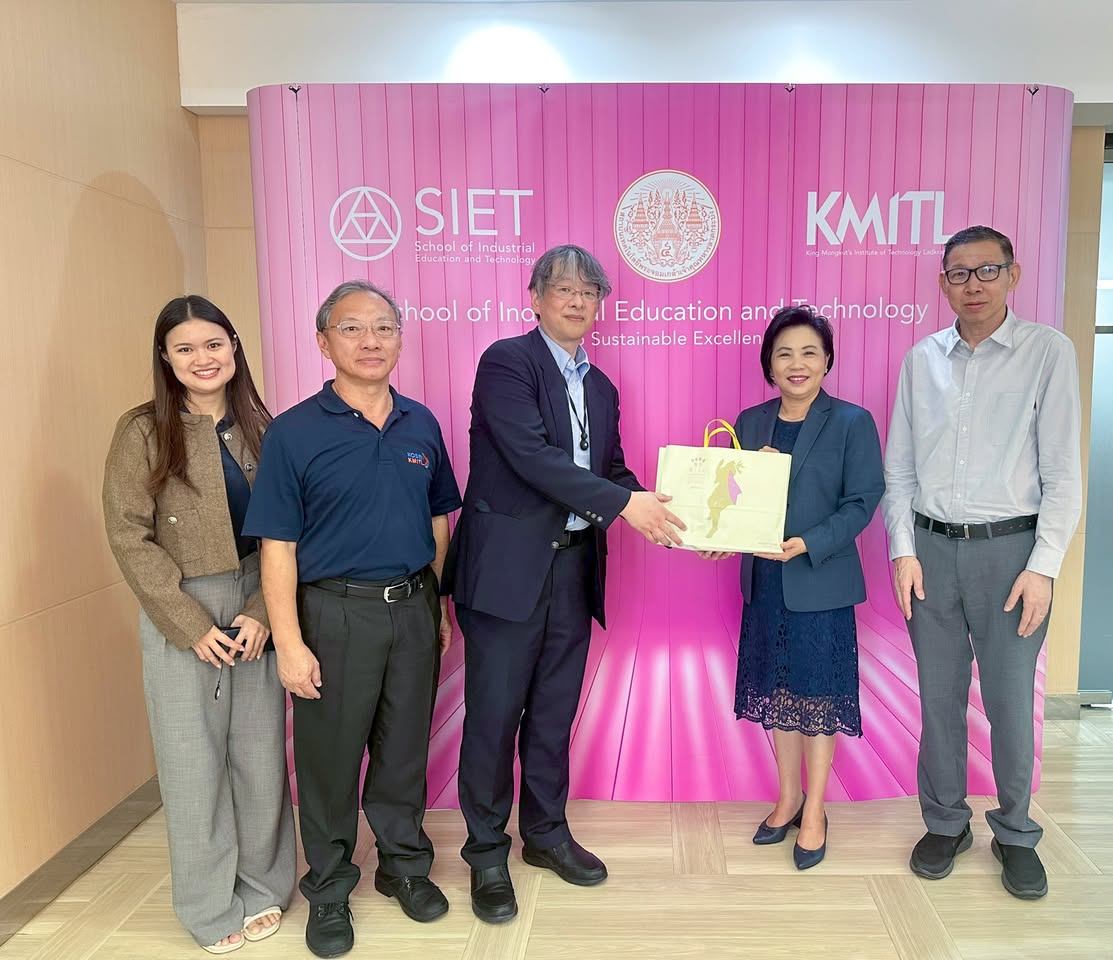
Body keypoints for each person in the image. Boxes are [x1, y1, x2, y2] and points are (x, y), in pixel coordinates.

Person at [443, 244, 686, 923]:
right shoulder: (507, 362)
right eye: (564, 289)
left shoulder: (601, 387)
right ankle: (486, 853)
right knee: (494, 718)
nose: (578, 301)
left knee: (552, 714)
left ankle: (545, 834)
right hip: (507, 571)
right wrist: (626, 505)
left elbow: (610, 470)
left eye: (589, 292)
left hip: (574, 567)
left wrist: (676, 513)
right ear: (536, 299)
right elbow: (531, 457)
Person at [243, 280, 462, 958]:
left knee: (403, 751)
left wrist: (439, 603)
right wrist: (289, 643)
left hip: (413, 609)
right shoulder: (293, 432)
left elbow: (438, 519)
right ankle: (330, 888)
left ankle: (403, 867)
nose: (371, 341)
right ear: (323, 341)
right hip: (332, 614)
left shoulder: (421, 423)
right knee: (330, 760)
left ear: (400, 339)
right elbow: (277, 546)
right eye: (352, 328)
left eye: (384, 328)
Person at [881, 225, 1082, 900]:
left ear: (1012, 275)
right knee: (938, 698)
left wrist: (1043, 566)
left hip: (1011, 556)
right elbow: (899, 469)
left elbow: (1062, 473)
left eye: (986, 271)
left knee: (1008, 702)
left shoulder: (1046, 353)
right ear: (942, 283)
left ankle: (1016, 832)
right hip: (931, 552)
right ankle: (945, 822)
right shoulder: (921, 360)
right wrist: (903, 550)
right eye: (959, 274)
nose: (973, 285)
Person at [103, 295, 295, 955]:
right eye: (184, 348)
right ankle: (210, 906)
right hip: (181, 605)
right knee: (192, 764)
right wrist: (188, 623)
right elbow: (128, 536)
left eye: (213, 343)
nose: (202, 358)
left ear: (234, 347)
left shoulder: (266, 427)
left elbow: (292, 530)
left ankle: (264, 887)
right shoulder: (141, 432)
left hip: (260, 600)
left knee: (260, 758)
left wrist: (264, 611)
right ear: (165, 357)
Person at [701, 305, 884, 869]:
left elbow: (862, 502)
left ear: (827, 361)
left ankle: (816, 811)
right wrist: (719, 535)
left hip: (819, 580)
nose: (796, 363)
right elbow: (734, 496)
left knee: (817, 699)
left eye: (809, 352)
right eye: (784, 354)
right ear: (769, 364)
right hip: (765, 583)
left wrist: (806, 543)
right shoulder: (750, 421)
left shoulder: (851, 422)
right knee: (780, 694)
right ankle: (787, 798)